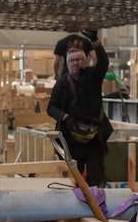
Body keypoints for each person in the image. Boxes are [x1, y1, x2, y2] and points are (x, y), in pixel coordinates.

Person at [47, 33, 112, 187]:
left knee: (96, 176)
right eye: (72, 60)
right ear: (67, 64)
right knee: (73, 177)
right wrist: (64, 117)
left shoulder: (93, 77)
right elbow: (51, 108)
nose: (76, 63)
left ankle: (97, 206)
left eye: (80, 60)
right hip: (71, 138)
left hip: (94, 137)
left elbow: (103, 63)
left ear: (86, 62)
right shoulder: (62, 83)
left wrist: (96, 42)